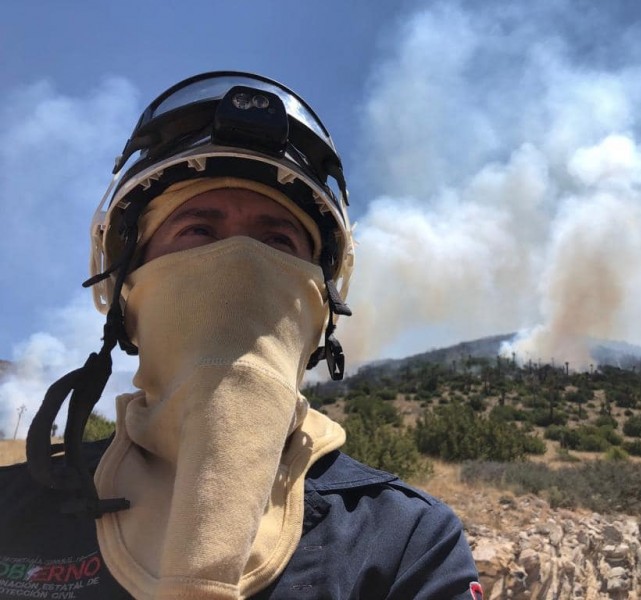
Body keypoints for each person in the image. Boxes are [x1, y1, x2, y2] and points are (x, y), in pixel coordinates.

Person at [0, 71, 482, 600]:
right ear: (127, 286)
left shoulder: (404, 539)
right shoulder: (13, 507)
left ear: (320, 304)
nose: (241, 265)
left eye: (277, 239)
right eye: (198, 230)